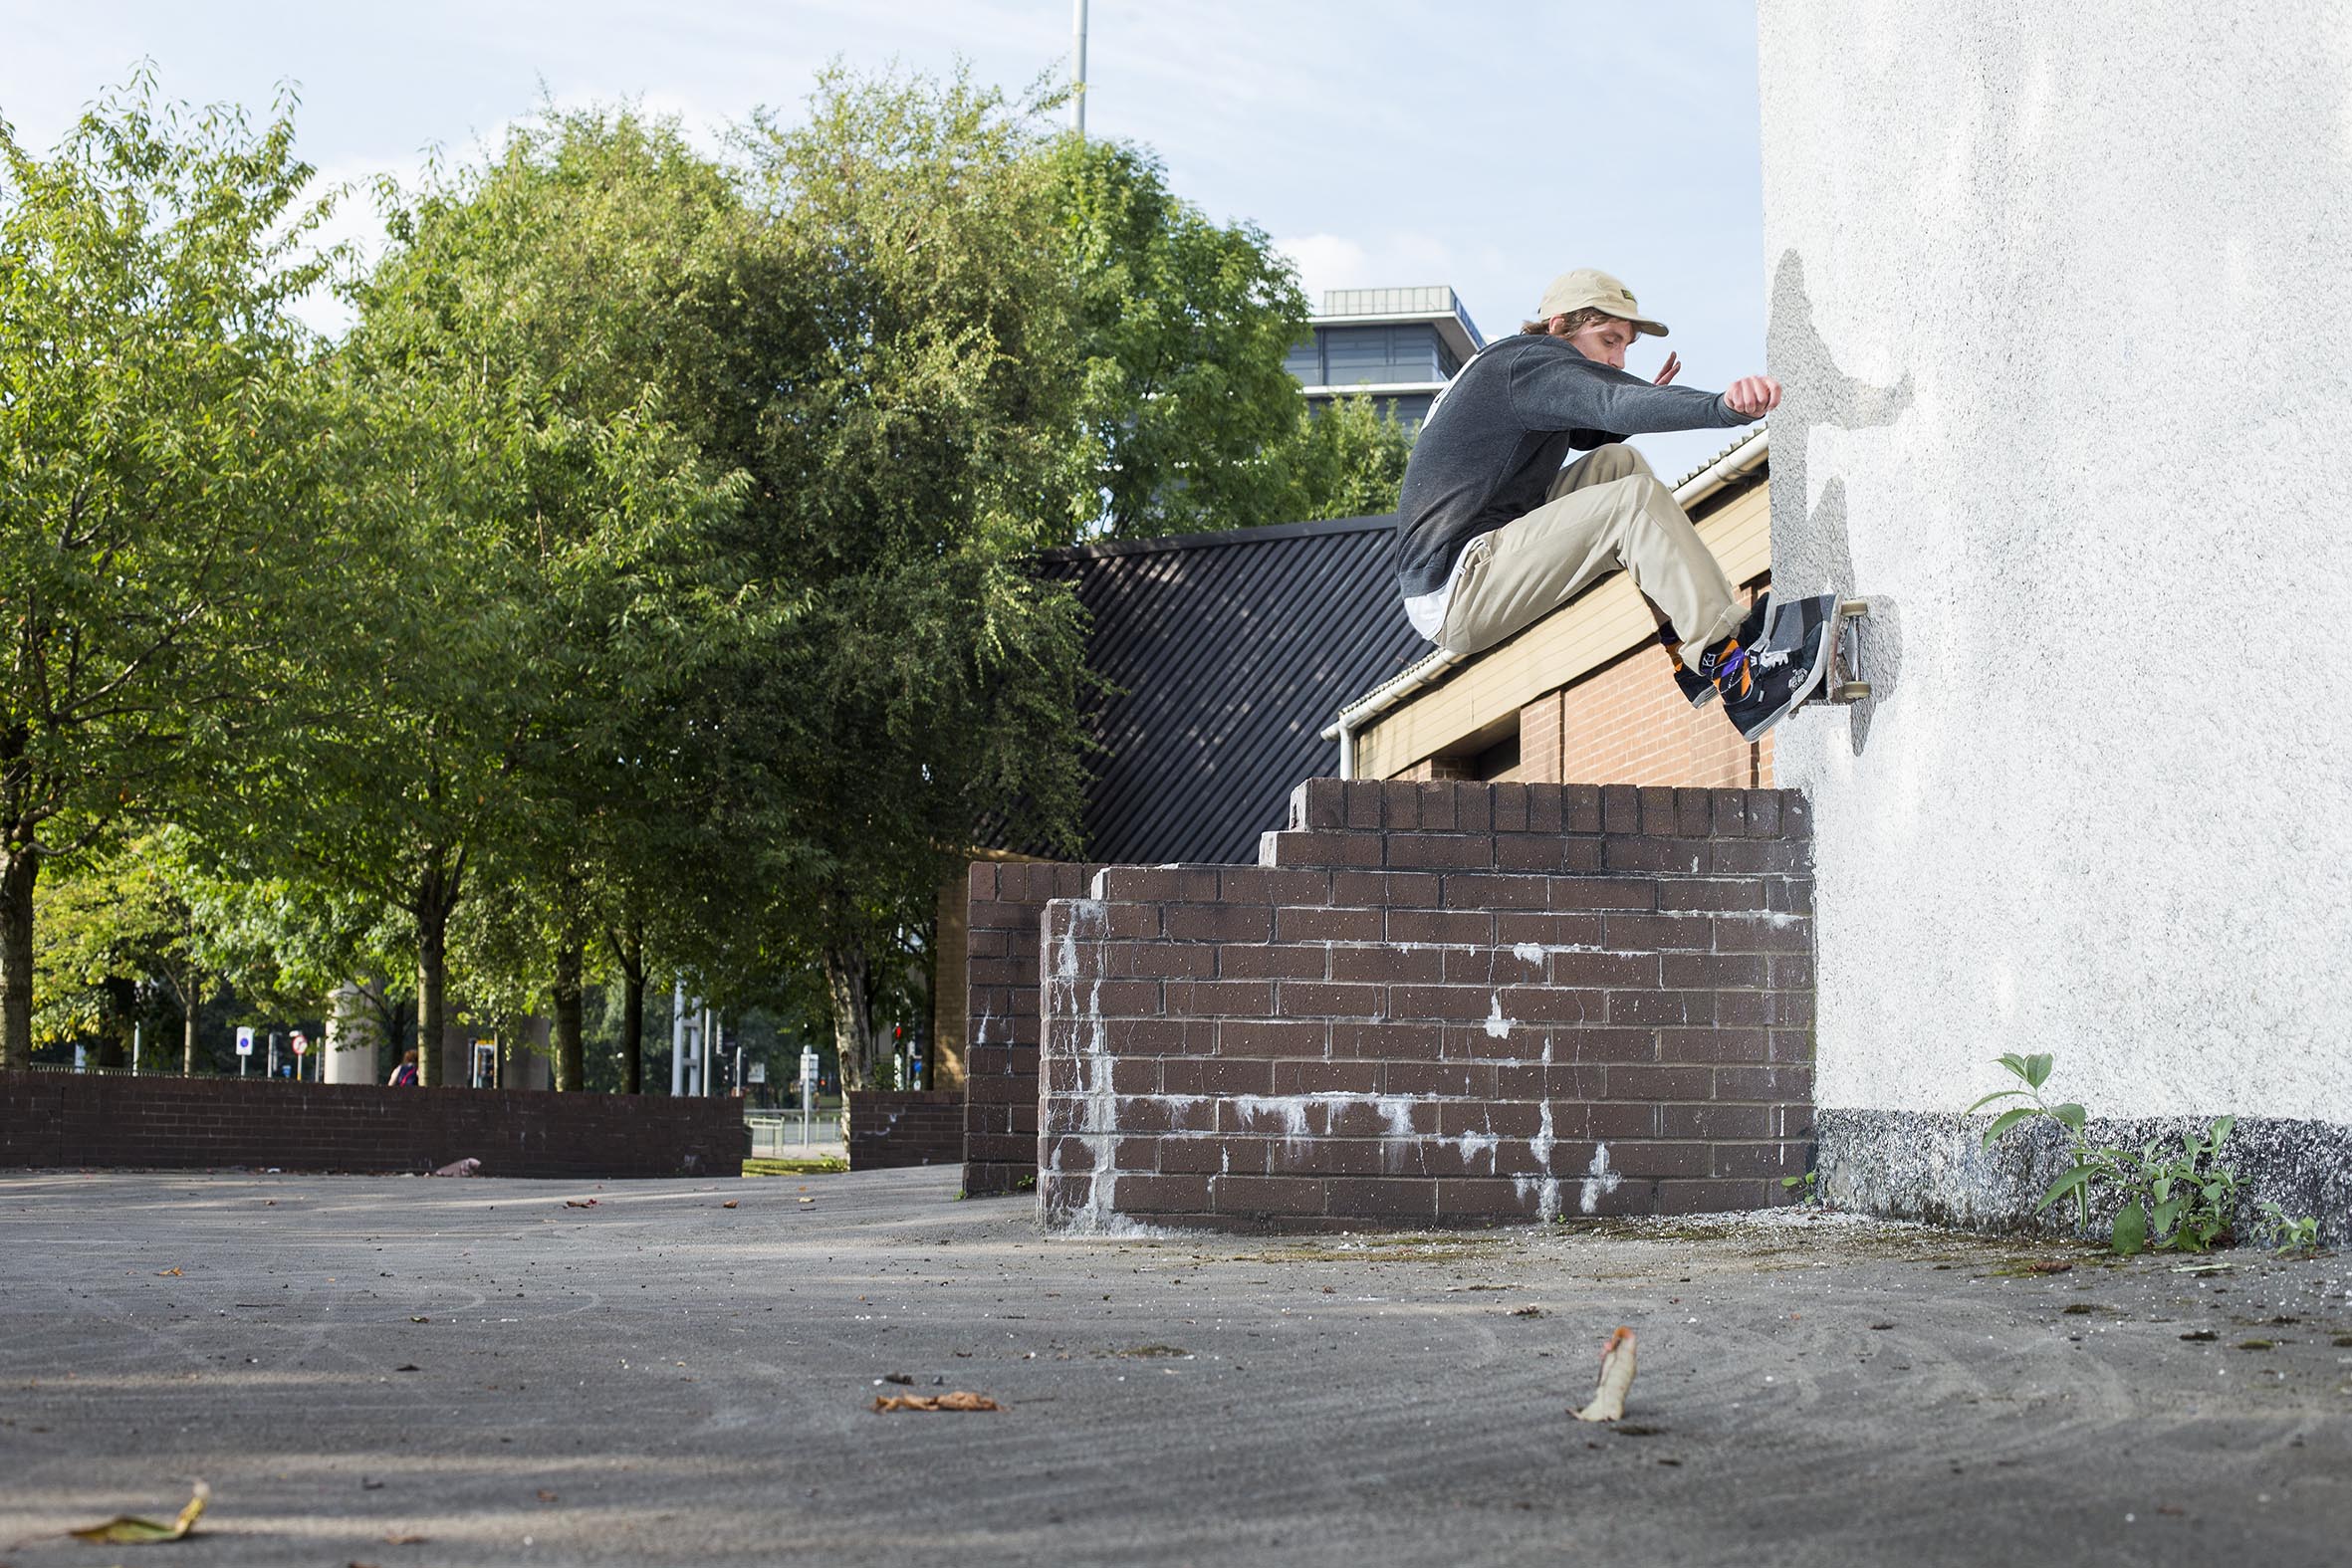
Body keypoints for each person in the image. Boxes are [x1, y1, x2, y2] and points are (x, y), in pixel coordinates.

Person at [1395, 267, 1833, 739]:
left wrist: (1642, 398)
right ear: (1560, 324)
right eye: (1609, 340)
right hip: (1460, 582)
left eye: (1625, 345)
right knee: (1633, 504)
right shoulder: (1532, 362)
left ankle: (1689, 647)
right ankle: (1738, 677)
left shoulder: (1514, 371)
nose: (1620, 359)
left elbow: (1595, 426)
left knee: (1618, 464)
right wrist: (1720, 407)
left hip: (1482, 551)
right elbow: (1610, 403)